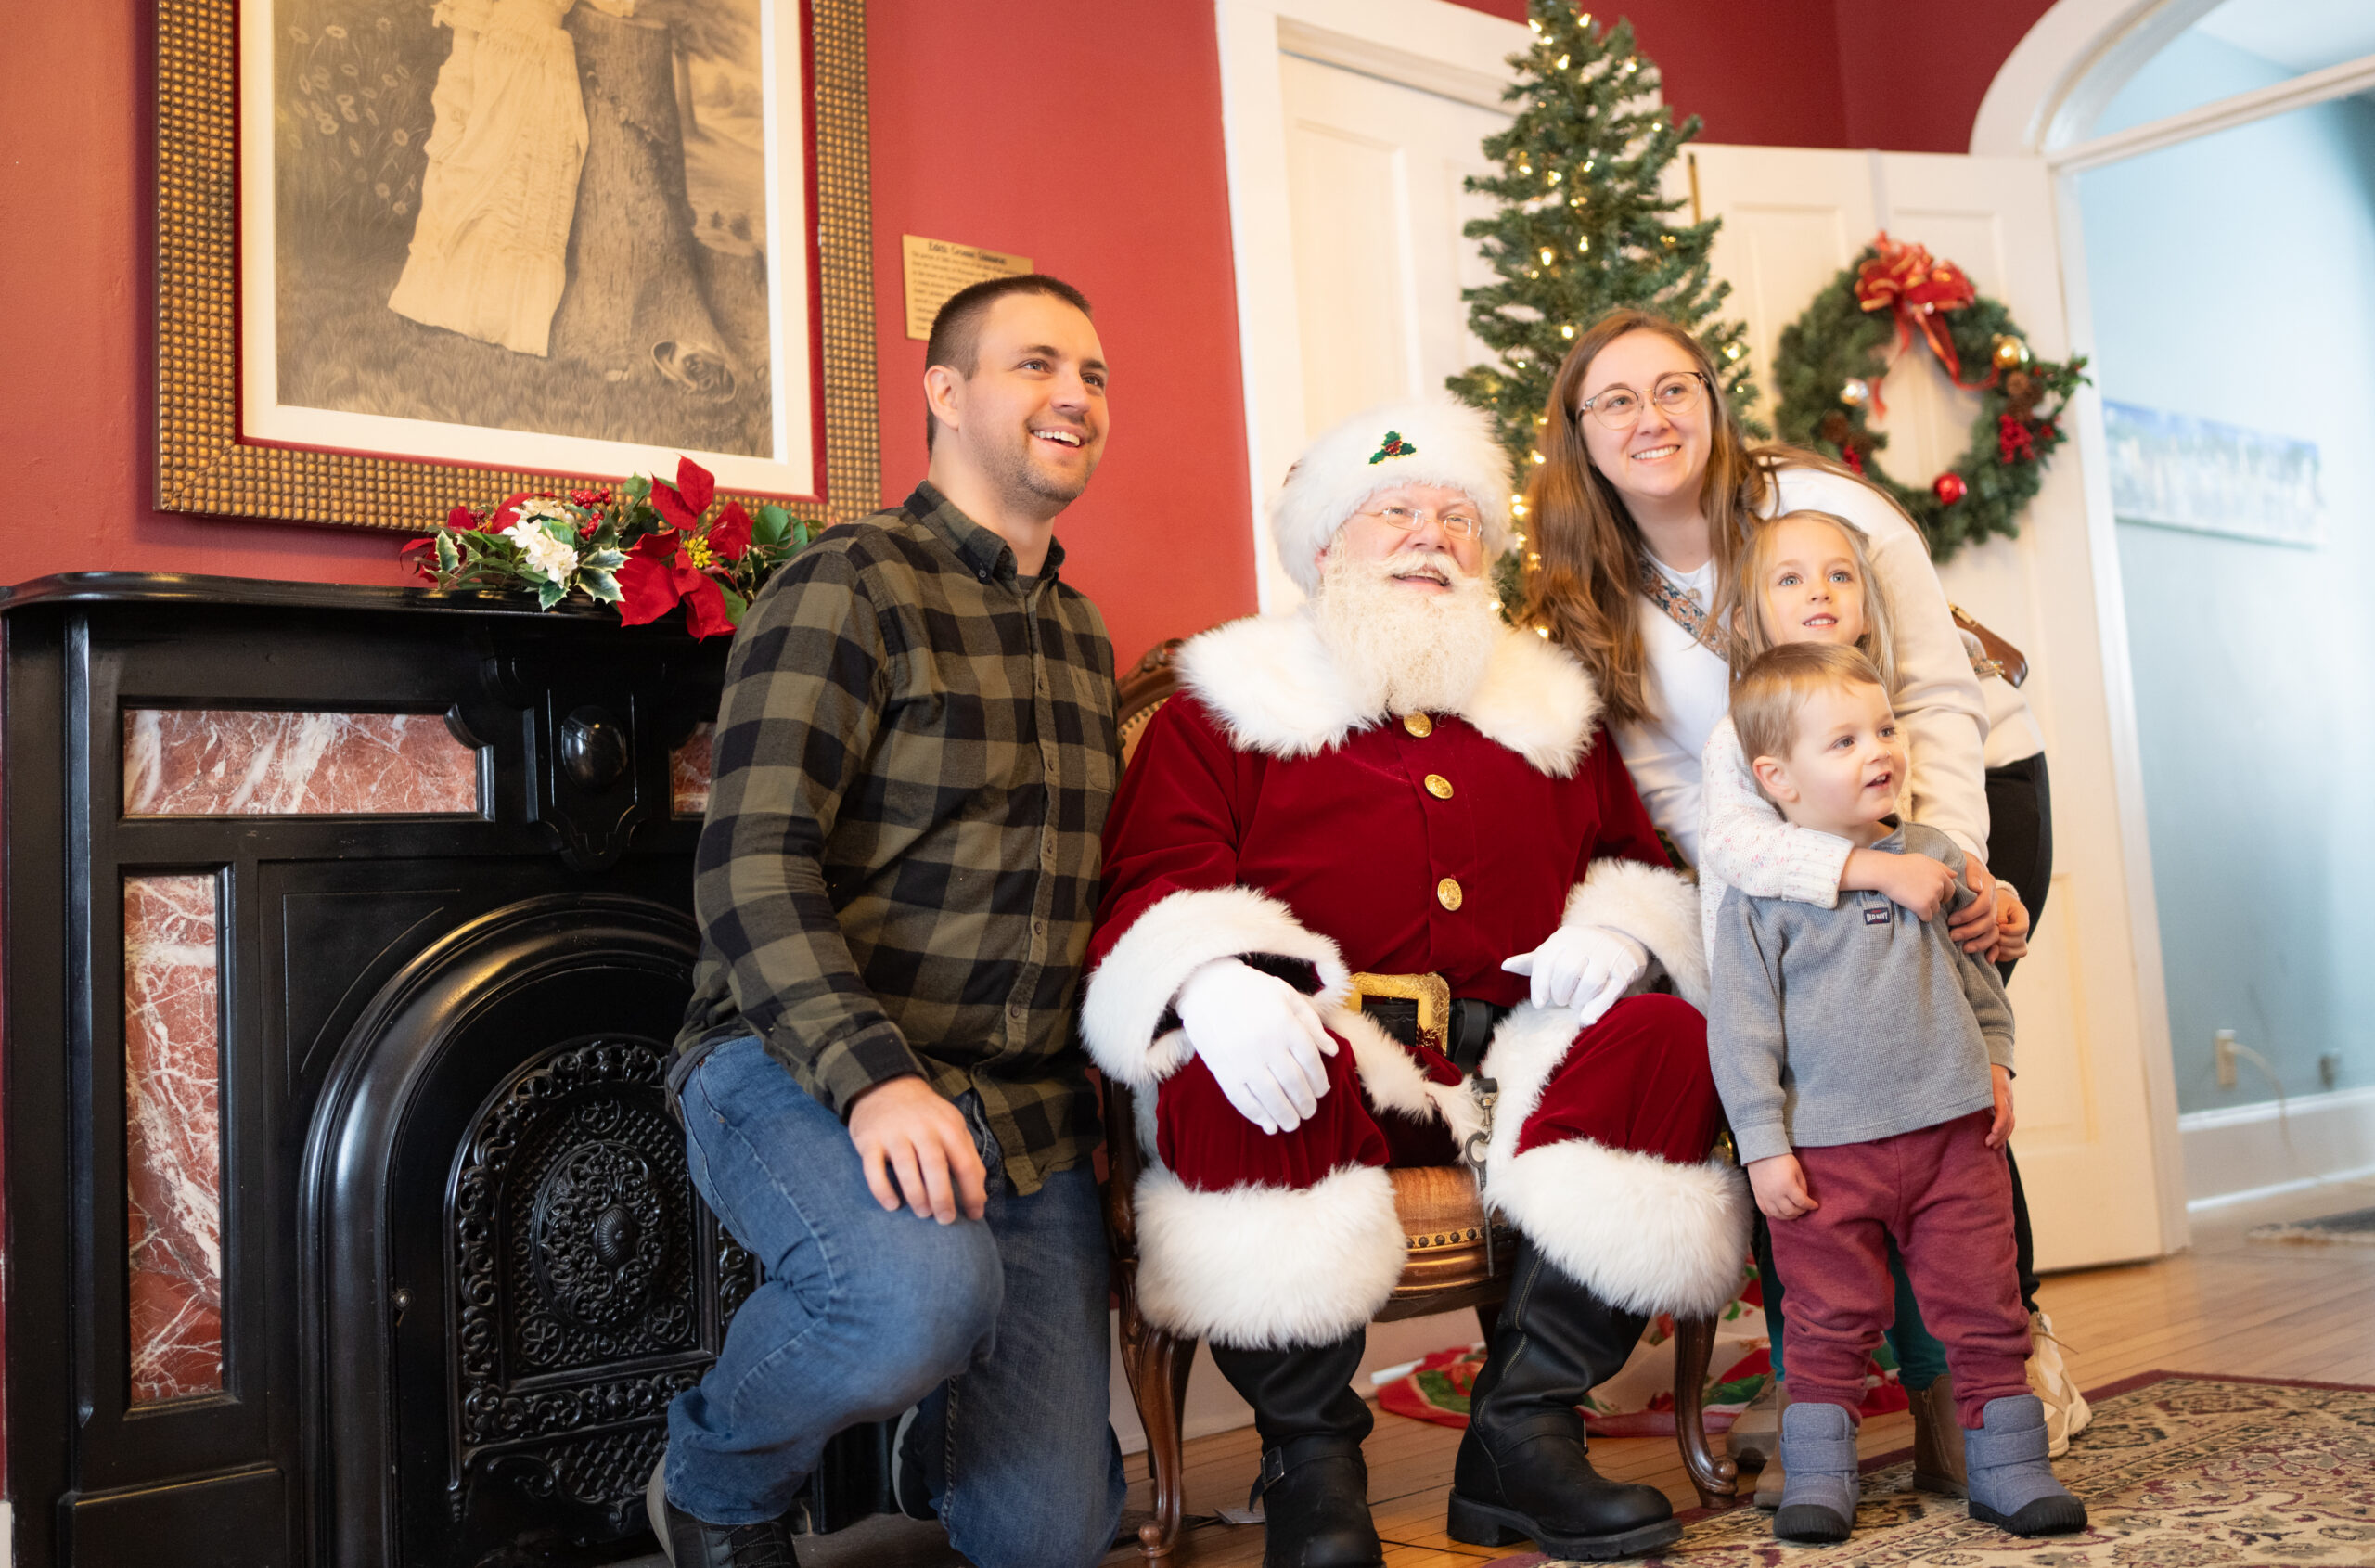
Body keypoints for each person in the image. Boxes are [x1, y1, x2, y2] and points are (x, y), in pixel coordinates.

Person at [1085, 397, 1750, 1567]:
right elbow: (1153, 882)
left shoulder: (1552, 713)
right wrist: (1210, 975)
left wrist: (1627, 932)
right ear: (1324, 546)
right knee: (1232, 1068)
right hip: (1335, 1054)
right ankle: (1312, 1461)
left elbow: (1639, 870)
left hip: (1521, 1056)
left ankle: (1523, 1433)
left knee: (1670, 1038)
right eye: (1392, 510)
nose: (1429, 536)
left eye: (1457, 518)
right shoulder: (1218, 705)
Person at [1519, 308, 2083, 1477]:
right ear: (1577, 435)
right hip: (1778, 851)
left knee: (1934, 1076)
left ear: (1714, 403)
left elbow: (1930, 690)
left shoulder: (1830, 511)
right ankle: (1826, 1372)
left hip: (1944, 786)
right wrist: (1765, 906)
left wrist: (1945, 868)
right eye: (1614, 400)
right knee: (1821, 1090)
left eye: (1673, 389)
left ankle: (1997, 1374)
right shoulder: (1590, 587)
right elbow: (1681, 788)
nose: (1650, 418)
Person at [647, 274, 1125, 1568]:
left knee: (1063, 1542)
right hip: (795, 1062)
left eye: (1092, 375)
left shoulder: (1083, 635)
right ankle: (716, 1480)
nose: (1074, 395)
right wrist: (875, 1083)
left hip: (1021, 1113)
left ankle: (939, 1425)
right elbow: (750, 867)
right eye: (1037, 365)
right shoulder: (846, 584)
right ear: (946, 392)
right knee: (911, 1293)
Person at [1708, 641, 2086, 1545]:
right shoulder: (1761, 894)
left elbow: (1981, 977)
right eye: (1842, 741)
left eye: (1883, 727)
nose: (1879, 749)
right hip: (1827, 1156)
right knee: (1829, 1320)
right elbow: (1742, 1030)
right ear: (1778, 778)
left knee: (1983, 1304)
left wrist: (1996, 1061)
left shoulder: (1935, 855)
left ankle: (2008, 1467)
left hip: (1953, 1140)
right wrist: (1762, 1143)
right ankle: (1822, 1474)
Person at [389, 0, 630, 354]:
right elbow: (468, 22)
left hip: (550, 67)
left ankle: (505, 318)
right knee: (478, 172)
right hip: (502, 57)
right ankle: (443, 303)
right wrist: (462, 86)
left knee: (534, 189)